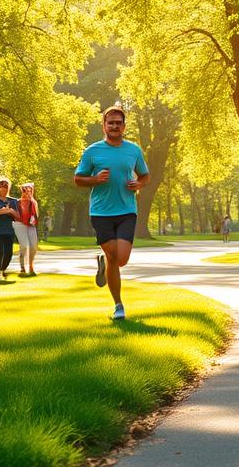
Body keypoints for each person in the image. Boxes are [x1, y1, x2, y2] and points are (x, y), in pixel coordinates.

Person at [74, 105, 149, 320]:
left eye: (118, 123)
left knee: (121, 259)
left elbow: (145, 176)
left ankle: (105, 262)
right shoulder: (92, 151)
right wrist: (95, 180)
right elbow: (78, 179)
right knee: (114, 257)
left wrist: (139, 184)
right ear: (104, 125)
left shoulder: (133, 150)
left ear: (124, 126)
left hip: (126, 210)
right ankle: (118, 305)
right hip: (101, 212)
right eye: (111, 123)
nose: (114, 126)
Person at [12, 182, 40, 276]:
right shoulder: (16, 202)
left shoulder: (33, 202)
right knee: (24, 245)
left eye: (29, 191)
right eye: (25, 191)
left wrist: (31, 199)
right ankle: (22, 268)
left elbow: (36, 215)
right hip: (19, 224)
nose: (27, 193)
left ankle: (31, 266)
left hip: (31, 225)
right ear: (22, 191)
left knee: (33, 247)